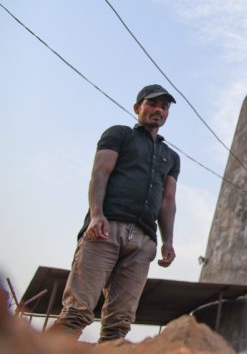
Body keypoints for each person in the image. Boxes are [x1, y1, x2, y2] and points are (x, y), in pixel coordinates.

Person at [51, 84, 180, 341]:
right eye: (152, 104)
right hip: (105, 230)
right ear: (137, 108)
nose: (158, 110)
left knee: (118, 326)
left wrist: (168, 241)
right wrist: (97, 214)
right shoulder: (119, 134)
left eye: (164, 107)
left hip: (143, 241)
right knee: (76, 312)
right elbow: (100, 173)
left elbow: (168, 201)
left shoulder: (171, 157)